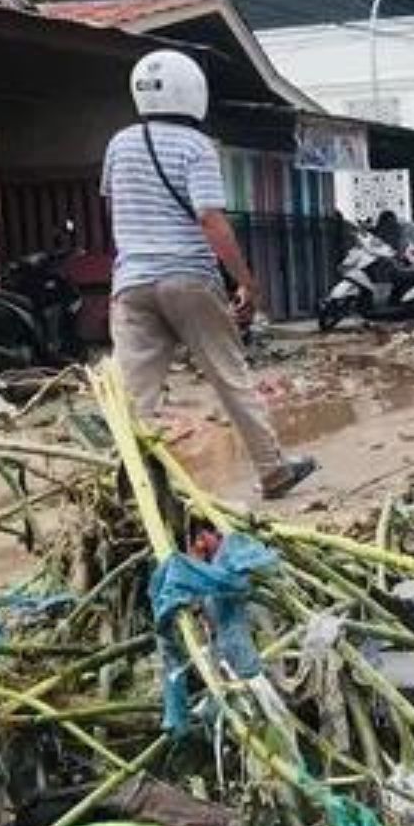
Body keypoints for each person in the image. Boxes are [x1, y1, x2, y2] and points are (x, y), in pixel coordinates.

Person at [101, 50, 316, 500]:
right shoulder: (196, 147)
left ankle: (122, 486)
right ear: (193, 91)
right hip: (189, 278)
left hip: (132, 284)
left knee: (132, 395)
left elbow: (116, 206)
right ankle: (272, 470)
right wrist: (246, 280)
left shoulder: (118, 143)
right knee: (228, 375)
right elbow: (210, 220)